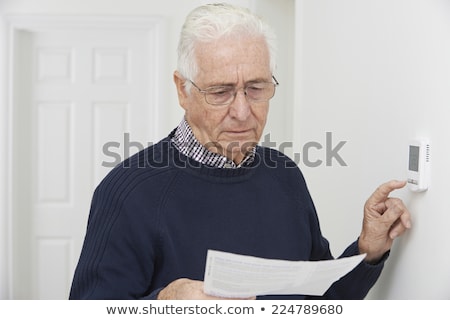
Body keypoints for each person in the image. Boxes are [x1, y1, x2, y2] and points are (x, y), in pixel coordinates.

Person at [69, 3, 411, 300]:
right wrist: (162, 302)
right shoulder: (128, 191)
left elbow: (319, 299)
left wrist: (368, 249)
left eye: (256, 88)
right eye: (220, 92)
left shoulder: (285, 175)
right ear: (182, 90)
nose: (243, 112)